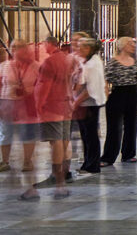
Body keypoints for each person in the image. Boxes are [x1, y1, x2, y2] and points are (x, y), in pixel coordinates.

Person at [30, 37, 74, 199]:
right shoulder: (67, 59)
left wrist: (39, 105)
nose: (42, 47)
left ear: (49, 44)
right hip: (66, 104)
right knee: (63, 140)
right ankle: (62, 176)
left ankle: (58, 180)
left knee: (55, 141)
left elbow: (43, 87)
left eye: (43, 44)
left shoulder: (50, 62)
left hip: (53, 106)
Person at [102, 37, 137, 167]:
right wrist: (106, 95)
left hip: (133, 94)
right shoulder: (113, 62)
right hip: (118, 94)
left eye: (133, 43)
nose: (133, 45)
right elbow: (106, 79)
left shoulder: (135, 62)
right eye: (130, 43)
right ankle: (108, 157)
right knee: (114, 127)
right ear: (122, 46)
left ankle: (128, 154)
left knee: (132, 125)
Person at [0, 40, 38, 175]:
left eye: (19, 47)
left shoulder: (35, 66)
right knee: (5, 132)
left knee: (27, 132)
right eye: (13, 47)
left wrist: (30, 91)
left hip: (27, 103)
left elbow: (42, 85)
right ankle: (4, 161)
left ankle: (27, 161)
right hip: (7, 102)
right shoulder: (4, 66)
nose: (15, 50)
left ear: (26, 50)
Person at [72, 37, 105, 175]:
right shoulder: (92, 60)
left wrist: (75, 103)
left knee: (90, 135)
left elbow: (88, 90)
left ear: (88, 48)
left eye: (81, 46)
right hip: (85, 103)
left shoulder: (92, 64)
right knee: (86, 135)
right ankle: (88, 163)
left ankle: (92, 165)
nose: (77, 49)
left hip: (88, 104)